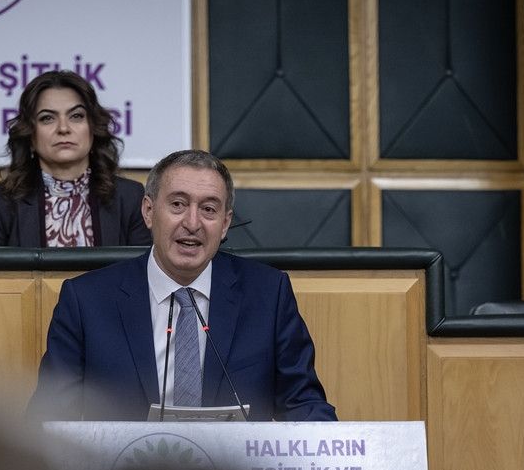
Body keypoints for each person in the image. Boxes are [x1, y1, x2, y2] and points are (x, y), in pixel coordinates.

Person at [26, 149, 337, 422]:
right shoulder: (87, 301)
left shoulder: (268, 295)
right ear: (149, 211)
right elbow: (50, 418)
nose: (192, 223)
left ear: (225, 223)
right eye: (177, 204)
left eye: (209, 209)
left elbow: (304, 405)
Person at [0, 70, 150, 248]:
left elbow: (143, 265)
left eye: (76, 116)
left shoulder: (130, 197)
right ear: (30, 134)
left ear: (93, 128)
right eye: (47, 118)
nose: (63, 128)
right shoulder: (1, 201)